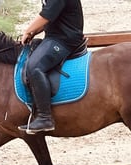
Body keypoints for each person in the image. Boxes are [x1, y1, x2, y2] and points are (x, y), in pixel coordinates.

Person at [18, 0, 85, 134]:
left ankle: (44, 117)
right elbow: (50, 17)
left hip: (64, 39)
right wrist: (33, 32)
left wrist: (28, 30)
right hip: (55, 36)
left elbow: (46, 16)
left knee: (35, 66)